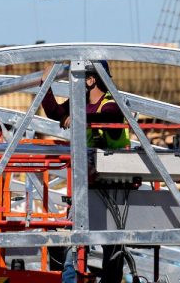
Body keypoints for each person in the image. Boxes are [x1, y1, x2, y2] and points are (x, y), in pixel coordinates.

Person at [40, 61, 129, 283]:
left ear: (90, 80)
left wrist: (78, 119)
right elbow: (55, 112)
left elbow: (110, 118)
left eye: (77, 78)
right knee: (75, 235)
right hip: (87, 180)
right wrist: (45, 83)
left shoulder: (111, 103)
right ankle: (71, 278)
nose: (73, 84)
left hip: (114, 182)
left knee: (112, 241)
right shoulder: (80, 104)